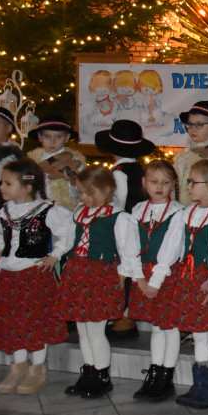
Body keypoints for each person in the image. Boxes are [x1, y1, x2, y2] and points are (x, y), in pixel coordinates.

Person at [0, 158, 74, 394]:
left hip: (34, 274)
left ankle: (37, 367)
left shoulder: (47, 211)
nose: (1, 187)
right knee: (14, 320)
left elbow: (67, 233)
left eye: (7, 183)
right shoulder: (4, 211)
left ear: (27, 186)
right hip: (10, 275)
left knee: (35, 321)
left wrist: (55, 255)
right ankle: (17, 366)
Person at [57, 166, 130, 399]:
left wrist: (120, 276)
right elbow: (70, 240)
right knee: (82, 328)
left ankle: (101, 376)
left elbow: (127, 250)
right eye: (81, 193)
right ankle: (88, 371)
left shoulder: (117, 216)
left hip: (101, 274)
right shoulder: (79, 213)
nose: (83, 198)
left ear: (107, 189)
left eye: (88, 193)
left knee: (97, 329)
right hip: (79, 273)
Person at [167, 160, 208, 410]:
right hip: (190, 280)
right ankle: (200, 382)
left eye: (194, 182)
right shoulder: (186, 213)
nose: (189, 186)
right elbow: (174, 247)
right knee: (198, 332)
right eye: (188, 182)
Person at [121, 160, 185, 403]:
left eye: (165, 183)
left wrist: (155, 281)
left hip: (166, 275)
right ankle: (155, 369)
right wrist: (138, 276)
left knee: (170, 326)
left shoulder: (177, 212)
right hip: (144, 275)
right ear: (144, 183)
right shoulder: (138, 210)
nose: (159, 187)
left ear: (173, 185)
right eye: (154, 182)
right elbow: (130, 245)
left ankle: (166, 376)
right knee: (156, 327)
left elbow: (171, 247)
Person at [95, 120, 155, 342]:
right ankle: (126, 313)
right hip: (137, 223)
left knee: (126, 268)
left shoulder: (119, 172)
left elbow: (117, 203)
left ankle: (126, 315)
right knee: (131, 266)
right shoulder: (138, 168)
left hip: (124, 224)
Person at [27, 115, 86, 210]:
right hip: (37, 209)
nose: (52, 141)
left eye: (58, 137)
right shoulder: (33, 160)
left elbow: (82, 191)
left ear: (67, 137)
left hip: (64, 211)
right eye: (47, 136)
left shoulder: (74, 161)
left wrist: (72, 182)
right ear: (40, 137)